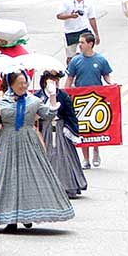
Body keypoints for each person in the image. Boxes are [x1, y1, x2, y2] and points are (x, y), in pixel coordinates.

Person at [0, 72, 76, 231]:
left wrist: (52, 96)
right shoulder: (2, 102)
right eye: (19, 83)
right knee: (8, 179)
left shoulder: (34, 101)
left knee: (28, 178)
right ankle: (11, 219)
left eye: (25, 83)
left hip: (28, 142)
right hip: (6, 142)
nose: (23, 86)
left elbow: (49, 114)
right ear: (11, 85)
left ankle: (26, 214)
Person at [37, 70, 88, 198]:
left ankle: (66, 186)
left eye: (56, 80)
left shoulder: (63, 96)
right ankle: (45, 189)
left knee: (62, 157)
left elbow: (70, 114)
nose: (54, 82)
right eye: (51, 80)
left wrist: (70, 129)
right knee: (45, 156)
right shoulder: (38, 96)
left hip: (59, 129)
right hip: (43, 130)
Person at [65, 31, 112, 168]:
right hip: (80, 99)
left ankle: (96, 150)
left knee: (95, 127)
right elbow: (69, 79)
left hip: (97, 99)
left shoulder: (101, 60)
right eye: (79, 42)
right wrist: (66, 94)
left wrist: (111, 84)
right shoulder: (75, 60)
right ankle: (85, 159)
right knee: (83, 129)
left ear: (90, 44)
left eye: (82, 42)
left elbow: (106, 75)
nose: (80, 45)